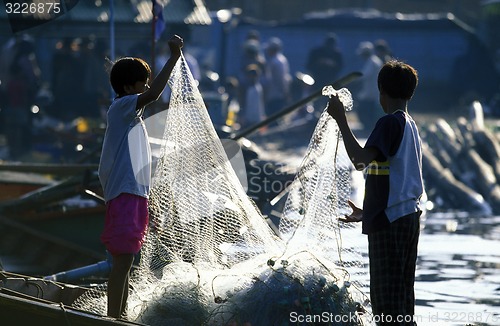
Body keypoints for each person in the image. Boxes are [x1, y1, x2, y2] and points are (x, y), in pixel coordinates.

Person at [327, 60, 423, 325]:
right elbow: (399, 179)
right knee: (402, 297)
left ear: (381, 91)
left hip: (391, 222)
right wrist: (367, 212)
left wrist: (341, 120)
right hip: (407, 217)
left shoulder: (389, 123)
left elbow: (359, 160)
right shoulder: (410, 125)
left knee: (387, 303)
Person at [98, 34, 183, 318]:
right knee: (122, 263)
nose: (146, 87)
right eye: (142, 83)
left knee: (128, 261)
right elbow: (154, 94)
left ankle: (119, 315)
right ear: (127, 87)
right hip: (124, 194)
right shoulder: (121, 108)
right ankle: (114, 317)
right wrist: (172, 58)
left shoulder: (133, 118)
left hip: (134, 195)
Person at [355, 41, 383, 133]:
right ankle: (368, 125)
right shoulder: (374, 61)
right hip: (372, 91)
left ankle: (368, 126)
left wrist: (354, 79)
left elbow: (364, 75)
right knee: (368, 110)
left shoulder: (372, 61)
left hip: (370, 92)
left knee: (364, 109)